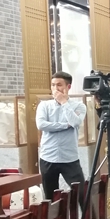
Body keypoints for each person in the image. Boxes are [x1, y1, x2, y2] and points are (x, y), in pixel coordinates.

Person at [36, 71, 86, 200]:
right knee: (50, 198)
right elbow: (41, 125)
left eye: (59, 85)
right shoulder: (44, 105)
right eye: (53, 85)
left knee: (82, 194)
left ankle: (88, 214)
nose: (55, 88)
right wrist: (65, 125)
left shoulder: (79, 106)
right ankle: (57, 215)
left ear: (68, 87)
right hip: (48, 157)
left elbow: (75, 122)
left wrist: (64, 102)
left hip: (69, 158)